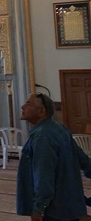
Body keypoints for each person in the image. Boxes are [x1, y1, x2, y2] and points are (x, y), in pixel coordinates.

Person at [16, 93, 91, 221]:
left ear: (41, 112)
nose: (23, 107)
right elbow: (83, 160)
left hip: (54, 210)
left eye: (28, 104)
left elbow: (43, 176)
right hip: (70, 205)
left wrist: (39, 208)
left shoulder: (42, 137)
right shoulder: (59, 128)